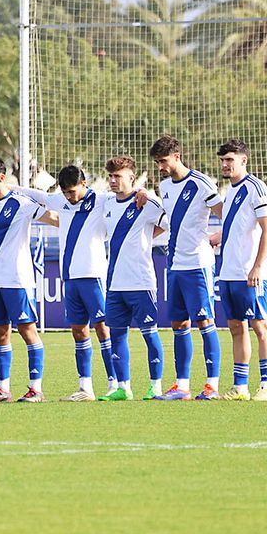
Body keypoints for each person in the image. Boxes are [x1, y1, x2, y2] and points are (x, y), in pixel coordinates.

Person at [0, 155, 55, 403]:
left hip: (18, 280)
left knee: (27, 331)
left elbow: (55, 217)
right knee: (0, 333)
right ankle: (3, 389)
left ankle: (36, 389)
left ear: (2, 178)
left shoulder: (22, 203)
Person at [150, 135, 225, 401]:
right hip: (175, 264)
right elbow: (169, 221)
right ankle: (182, 386)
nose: (161, 166)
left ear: (177, 156)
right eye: (158, 162)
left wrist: (218, 236)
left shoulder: (201, 183)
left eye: (164, 161)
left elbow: (225, 214)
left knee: (205, 321)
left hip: (197, 263)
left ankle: (212, 386)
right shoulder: (164, 186)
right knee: (178, 323)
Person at [211, 138, 267, 401]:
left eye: (230, 159)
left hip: (249, 273)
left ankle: (266, 386)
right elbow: (238, 226)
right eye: (223, 160)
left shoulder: (255, 187)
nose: (225, 165)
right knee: (236, 327)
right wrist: (218, 235)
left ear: (243, 160)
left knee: (260, 326)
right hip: (228, 273)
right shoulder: (231, 191)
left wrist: (258, 266)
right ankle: (240, 387)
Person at [46, 163, 118, 401]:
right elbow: (36, 196)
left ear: (84, 185)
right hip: (70, 278)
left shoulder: (101, 199)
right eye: (65, 192)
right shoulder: (61, 202)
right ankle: (85, 387)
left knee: (102, 327)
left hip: (93, 275)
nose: (69, 196)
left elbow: (124, 195)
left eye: (73, 191)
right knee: (78, 330)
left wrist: (141, 193)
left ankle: (114, 383)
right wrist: (10, 187)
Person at [99, 156, 167, 401]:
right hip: (115, 283)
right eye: (111, 176)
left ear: (131, 177)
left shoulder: (146, 203)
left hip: (141, 282)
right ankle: (123, 388)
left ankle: (155, 386)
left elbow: (170, 222)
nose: (113, 181)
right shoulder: (105, 202)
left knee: (150, 333)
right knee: (117, 335)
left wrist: (147, 233)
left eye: (118, 176)